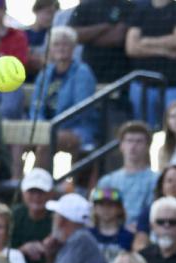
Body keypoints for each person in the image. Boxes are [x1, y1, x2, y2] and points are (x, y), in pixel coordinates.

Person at [28, 26, 98, 154]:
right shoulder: (45, 73)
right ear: (51, 48)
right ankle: (16, 175)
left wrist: (53, 128)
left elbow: (82, 110)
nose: (61, 48)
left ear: (73, 47)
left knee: (46, 142)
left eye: (66, 44)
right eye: (56, 44)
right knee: (18, 141)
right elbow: (36, 106)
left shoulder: (82, 72)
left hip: (76, 129)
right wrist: (41, 125)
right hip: (46, 128)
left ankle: (38, 175)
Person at [124, 0, 176, 127]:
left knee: (175, 128)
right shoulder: (139, 8)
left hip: (173, 83)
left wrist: (144, 41)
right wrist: (164, 51)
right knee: (142, 128)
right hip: (142, 85)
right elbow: (131, 48)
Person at [97, 123, 160, 231]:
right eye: (129, 141)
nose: (133, 146)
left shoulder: (157, 180)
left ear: (147, 146)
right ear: (121, 145)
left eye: (139, 141)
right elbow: (98, 213)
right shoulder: (108, 181)